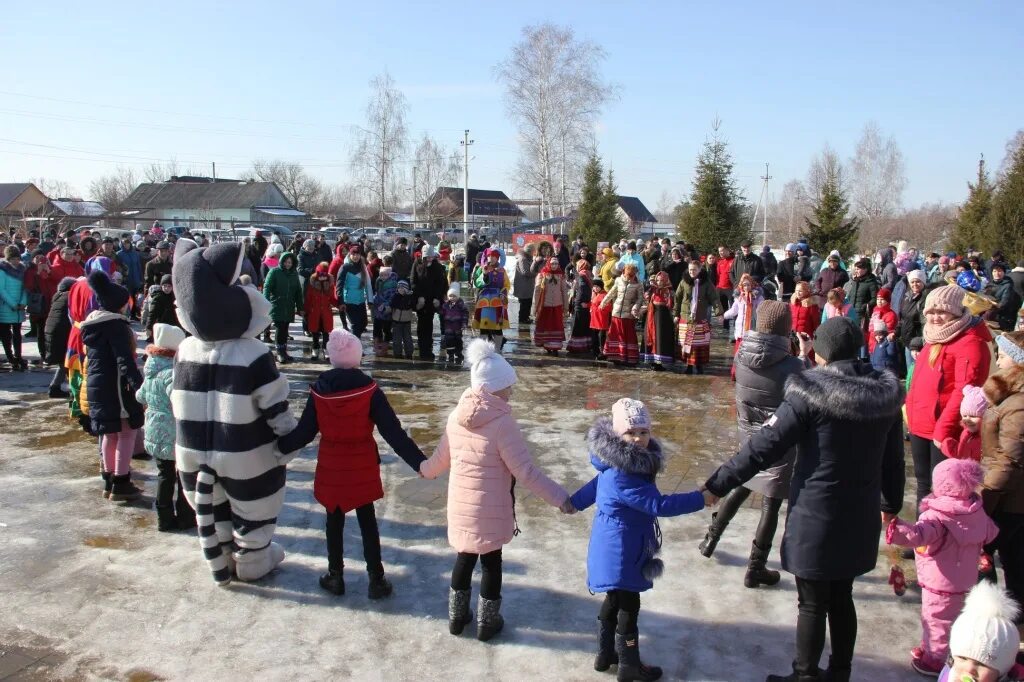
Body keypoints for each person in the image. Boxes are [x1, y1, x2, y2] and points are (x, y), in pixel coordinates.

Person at [703, 316, 905, 682]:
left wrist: (717, 484)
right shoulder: (885, 394)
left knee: (812, 602)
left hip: (817, 513)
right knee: (842, 596)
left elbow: (763, 446)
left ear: (821, 351)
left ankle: (805, 675)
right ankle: (839, 672)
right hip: (859, 514)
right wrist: (890, 508)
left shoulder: (809, 392)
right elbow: (893, 461)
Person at [419, 339, 570, 641]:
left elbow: (440, 460)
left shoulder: (455, 416)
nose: (511, 392)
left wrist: (424, 470)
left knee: (464, 558)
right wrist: (561, 499)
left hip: (461, 507)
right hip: (491, 509)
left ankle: (456, 617)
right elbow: (525, 471)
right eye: (507, 387)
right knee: (490, 562)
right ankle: (488, 623)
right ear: (493, 388)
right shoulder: (503, 424)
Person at [277, 328, 425, 598]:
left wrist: (277, 447)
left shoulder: (319, 391)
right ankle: (376, 579)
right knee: (367, 520)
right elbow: (393, 432)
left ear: (332, 358)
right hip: (362, 465)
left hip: (332, 467)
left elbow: (305, 432)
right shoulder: (370, 391)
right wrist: (419, 462)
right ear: (357, 358)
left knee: (334, 520)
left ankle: (336, 576)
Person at [569, 398, 707, 681]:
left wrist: (575, 502)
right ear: (617, 435)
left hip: (614, 543)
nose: (639, 438)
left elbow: (594, 486)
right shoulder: (624, 474)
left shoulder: (614, 463)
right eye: (631, 432)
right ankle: (629, 665)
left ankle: (606, 654)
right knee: (629, 605)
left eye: (644, 432)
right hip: (623, 549)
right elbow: (659, 505)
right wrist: (700, 498)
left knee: (614, 599)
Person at [698, 301, 810, 588]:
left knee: (742, 485)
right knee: (770, 505)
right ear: (786, 329)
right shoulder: (794, 366)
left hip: (749, 435)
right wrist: (805, 354)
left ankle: (711, 538)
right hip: (779, 441)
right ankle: (756, 567)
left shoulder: (741, 356)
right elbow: (809, 389)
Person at [887, 458, 999, 676]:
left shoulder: (937, 515)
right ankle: (941, 649)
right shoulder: (976, 510)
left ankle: (935, 660)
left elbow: (918, 536)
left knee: (935, 619)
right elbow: (991, 532)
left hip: (939, 581)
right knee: (955, 618)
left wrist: (896, 528)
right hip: (965, 580)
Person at [906, 285, 992, 511]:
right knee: (924, 484)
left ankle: (941, 541)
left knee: (944, 489)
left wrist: (943, 429)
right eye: (931, 312)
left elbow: (964, 390)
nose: (935, 317)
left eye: (941, 312)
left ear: (956, 312)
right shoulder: (934, 338)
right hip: (920, 425)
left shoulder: (970, 343)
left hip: (944, 431)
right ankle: (922, 540)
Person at [80, 270, 145, 501]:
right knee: (126, 432)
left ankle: (109, 480)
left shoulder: (92, 325)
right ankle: (121, 482)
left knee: (109, 432)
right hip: (116, 387)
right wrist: (139, 386)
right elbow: (124, 360)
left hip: (99, 385)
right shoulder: (115, 326)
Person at [980, 331, 1024, 621]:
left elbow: (1009, 461)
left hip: (1007, 502)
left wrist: (981, 497)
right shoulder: (1010, 396)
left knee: (981, 564)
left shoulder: (1019, 405)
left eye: (1005, 355)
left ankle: (994, 625)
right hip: (1007, 499)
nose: (998, 359)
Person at [135, 323, 195, 532]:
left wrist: (154, 404)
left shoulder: (151, 370)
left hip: (154, 429)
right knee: (182, 476)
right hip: (174, 432)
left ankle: (164, 518)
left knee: (164, 475)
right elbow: (179, 400)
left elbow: (140, 396)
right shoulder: (171, 373)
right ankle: (186, 516)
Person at [939, 583, 1024, 682]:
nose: (969, 669)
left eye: (981, 664)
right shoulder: (950, 675)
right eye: (962, 658)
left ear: (1003, 671)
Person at [674, 260, 720, 375]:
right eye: (690, 269)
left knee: (699, 343)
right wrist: (675, 314)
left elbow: (714, 298)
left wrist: (719, 312)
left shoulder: (706, 282)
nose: (692, 272)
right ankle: (689, 365)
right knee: (688, 342)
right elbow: (677, 298)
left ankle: (699, 365)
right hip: (686, 316)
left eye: (694, 269)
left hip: (700, 316)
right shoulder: (684, 282)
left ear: (699, 269)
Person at [263, 251, 304, 364]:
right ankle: (279, 352)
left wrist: (300, 306)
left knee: (285, 328)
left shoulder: (294, 274)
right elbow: (267, 287)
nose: (287, 264)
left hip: (289, 305)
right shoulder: (274, 272)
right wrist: (265, 301)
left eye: (290, 262)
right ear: (282, 261)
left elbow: (298, 292)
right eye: (286, 262)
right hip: (277, 304)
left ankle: (284, 351)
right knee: (280, 328)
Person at [721, 273, 763, 379]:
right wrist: (724, 316)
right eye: (744, 285)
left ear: (752, 285)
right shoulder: (739, 298)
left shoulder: (758, 298)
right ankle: (735, 373)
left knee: (749, 354)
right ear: (741, 286)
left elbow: (761, 310)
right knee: (738, 354)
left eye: (748, 284)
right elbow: (733, 311)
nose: (746, 287)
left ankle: (748, 375)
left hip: (752, 330)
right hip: (740, 331)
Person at [602, 263, 643, 366]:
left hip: (628, 314)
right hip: (616, 312)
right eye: (628, 275)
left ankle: (629, 357)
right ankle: (614, 355)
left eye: (632, 275)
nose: (629, 278)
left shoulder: (638, 284)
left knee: (628, 336)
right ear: (624, 272)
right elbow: (612, 292)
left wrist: (636, 307)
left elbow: (640, 298)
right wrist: (603, 303)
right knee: (615, 334)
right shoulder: (618, 281)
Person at [411, 244, 448, 361]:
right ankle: (422, 349)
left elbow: (440, 283)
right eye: (427, 257)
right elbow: (413, 280)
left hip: (432, 300)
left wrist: (437, 297)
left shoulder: (437, 267)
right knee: (421, 324)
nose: (429, 259)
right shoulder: (417, 264)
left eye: (431, 257)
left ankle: (428, 349)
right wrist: (419, 296)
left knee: (429, 324)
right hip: (420, 300)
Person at [472, 248, 510, 350]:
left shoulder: (502, 270)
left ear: (497, 258)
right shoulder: (482, 268)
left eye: (494, 256)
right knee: (483, 326)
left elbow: (506, 285)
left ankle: (497, 349)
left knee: (497, 327)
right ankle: (483, 349)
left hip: (497, 301)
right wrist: (484, 274)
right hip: (484, 301)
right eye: (489, 256)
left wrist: (503, 293)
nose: (491, 258)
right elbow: (476, 283)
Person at [43, 277, 75, 398]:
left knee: (64, 362)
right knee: (68, 362)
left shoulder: (58, 296)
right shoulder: (69, 297)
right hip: (61, 333)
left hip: (53, 331)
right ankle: (73, 390)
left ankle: (55, 387)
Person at [940, 385, 987, 461]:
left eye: (973, 416)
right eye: (964, 416)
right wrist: (949, 447)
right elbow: (961, 453)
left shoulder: (987, 437)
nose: (968, 419)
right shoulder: (965, 433)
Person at [532, 257, 569, 354]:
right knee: (546, 326)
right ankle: (547, 345)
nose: (554, 266)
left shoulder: (561, 276)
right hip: (545, 306)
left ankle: (555, 347)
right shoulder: (542, 274)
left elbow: (564, 291)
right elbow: (537, 290)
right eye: (552, 264)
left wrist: (566, 306)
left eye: (556, 264)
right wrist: (535, 307)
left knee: (556, 326)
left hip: (557, 305)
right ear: (549, 264)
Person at [0, 245, 28, 371]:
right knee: (6, 335)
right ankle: (10, 357)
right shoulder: (2, 271)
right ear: (8, 259)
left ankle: (18, 356)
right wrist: (13, 304)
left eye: (17, 258)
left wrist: (23, 302)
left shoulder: (23, 270)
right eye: (12, 259)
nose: (15, 261)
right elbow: (2, 290)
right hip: (6, 307)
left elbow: (26, 288)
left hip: (19, 309)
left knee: (17, 334)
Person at [337, 247, 373, 338]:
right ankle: (355, 349)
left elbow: (368, 284)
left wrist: (370, 300)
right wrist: (340, 301)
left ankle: (351, 343)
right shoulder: (345, 267)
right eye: (353, 254)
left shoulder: (363, 266)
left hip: (360, 301)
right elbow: (339, 285)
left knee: (363, 324)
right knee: (355, 325)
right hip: (349, 301)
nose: (356, 256)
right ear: (350, 255)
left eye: (357, 254)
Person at [305, 262, 338, 362]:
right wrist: (304, 310)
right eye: (321, 274)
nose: (323, 277)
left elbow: (332, 298)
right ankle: (315, 349)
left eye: (325, 274)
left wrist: (339, 304)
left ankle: (326, 349)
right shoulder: (312, 284)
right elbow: (308, 299)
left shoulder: (330, 284)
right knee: (315, 333)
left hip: (326, 313)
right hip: (314, 313)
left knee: (326, 333)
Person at [567, 258, 594, 355]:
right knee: (585, 326)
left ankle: (577, 347)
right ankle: (586, 345)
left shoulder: (581, 275)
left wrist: (578, 301)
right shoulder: (588, 274)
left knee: (578, 325)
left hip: (581, 303)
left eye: (577, 265)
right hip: (586, 303)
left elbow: (582, 289)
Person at [988, 263, 1023, 332]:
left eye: (999, 271)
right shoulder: (989, 284)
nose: (997, 273)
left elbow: (1004, 303)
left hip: (1003, 319)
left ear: (1004, 272)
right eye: (994, 271)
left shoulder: (1008, 285)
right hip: (991, 317)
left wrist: (991, 305)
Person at [512, 244, 541, 325]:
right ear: (530, 251)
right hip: (523, 286)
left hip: (527, 285)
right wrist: (536, 273)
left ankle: (526, 317)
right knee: (524, 303)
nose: (534, 252)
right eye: (533, 251)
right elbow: (525, 272)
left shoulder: (528, 258)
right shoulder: (522, 259)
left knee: (528, 302)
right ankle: (522, 319)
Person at [372, 262, 397, 356]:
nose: (383, 277)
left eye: (385, 275)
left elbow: (392, 298)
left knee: (386, 329)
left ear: (389, 275)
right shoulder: (379, 282)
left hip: (386, 311)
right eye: (381, 275)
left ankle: (384, 346)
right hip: (378, 310)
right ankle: (377, 345)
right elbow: (377, 294)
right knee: (376, 328)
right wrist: (374, 299)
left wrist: (385, 304)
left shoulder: (393, 285)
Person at [440, 283, 469, 363]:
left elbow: (465, 315)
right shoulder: (445, 305)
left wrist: (464, 324)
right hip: (448, 328)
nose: (452, 298)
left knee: (458, 341)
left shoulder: (461, 305)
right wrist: (439, 309)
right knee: (449, 342)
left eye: (454, 296)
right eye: (450, 296)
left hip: (458, 327)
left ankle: (458, 353)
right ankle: (450, 355)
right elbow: (442, 313)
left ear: (458, 296)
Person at [866, 287, 897, 355]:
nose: (879, 301)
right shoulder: (875, 311)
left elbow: (888, 331)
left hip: (882, 346)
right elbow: (871, 329)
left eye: (882, 299)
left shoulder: (890, 315)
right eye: (878, 299)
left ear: (888, 301)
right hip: (871, 345)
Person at [390, 279, 415, 359]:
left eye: (402, 288)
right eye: (399, 288)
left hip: (407, 322)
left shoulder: (410, 297)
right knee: (397, 339)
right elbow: (391, 306)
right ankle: (397, 354)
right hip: (396, 321)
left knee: (408, 339)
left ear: (406, 289)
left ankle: (409, 353)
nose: (400, 289)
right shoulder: (395, 296)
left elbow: (413, 306)